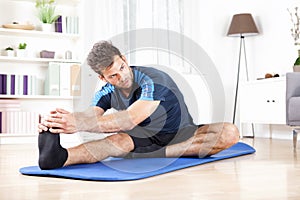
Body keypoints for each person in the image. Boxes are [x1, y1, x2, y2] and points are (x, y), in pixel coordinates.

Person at [37, 40, 240, 170]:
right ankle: (60, 157)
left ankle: (156, 154)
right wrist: (59, 122)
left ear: (124, 59)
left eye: (122, 68)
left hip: (182, 134)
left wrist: (78, 124)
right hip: (143, 140)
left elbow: (131, 118)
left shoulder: (153, 79)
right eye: (113, 76)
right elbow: (92, 115)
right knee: (115, 141)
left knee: (229, 133)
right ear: (102, 77)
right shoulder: (107, 91)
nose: (122, 77)